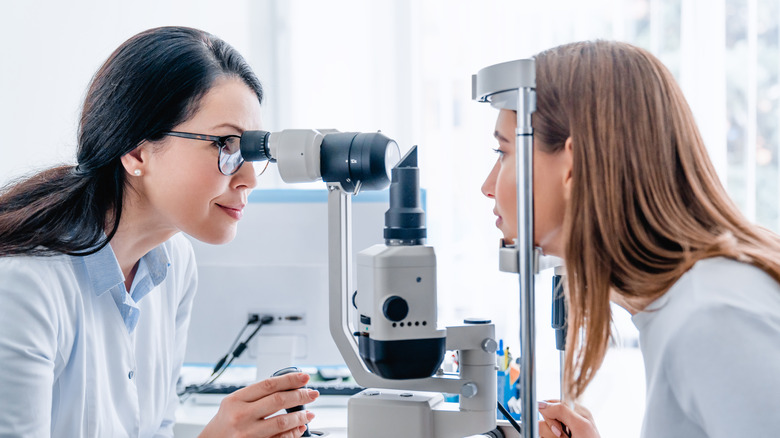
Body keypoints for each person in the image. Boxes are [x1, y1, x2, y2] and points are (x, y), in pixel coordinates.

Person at [0, 26, 318, 437]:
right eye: (225, 145)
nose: (248, 180)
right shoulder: (25, 286)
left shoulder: (173, 262)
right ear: (136, 151)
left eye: (251, 152)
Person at [481, 40, 780, 438]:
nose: (487, 186)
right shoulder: (679, 305)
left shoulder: (713, 318)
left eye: (504, 152)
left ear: (573, 165)